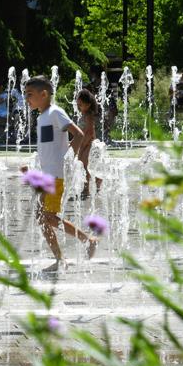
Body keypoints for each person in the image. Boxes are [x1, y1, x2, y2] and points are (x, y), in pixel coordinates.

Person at [21, 76, 99, 269]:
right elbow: (49, 148)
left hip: (55, 175)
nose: (26, 99)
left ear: (43, 94)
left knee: (48, 216)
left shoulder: (55, 112)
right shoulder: (42, 117)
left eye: (29, 94)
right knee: (42, 218)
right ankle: (59, 258)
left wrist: (69, 160)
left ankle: (87, 240)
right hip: (47, 175)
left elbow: (79, 134)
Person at [75, 88, 102, 198]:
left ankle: (86, 190)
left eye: (81, 105)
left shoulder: (89, 115)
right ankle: (97, 182)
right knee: (85, 166)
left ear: (88, 104)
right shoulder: (84, 115)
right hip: (85, 144)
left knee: (85, 167)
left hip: (89, 144)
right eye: (78, 104)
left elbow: (90, 132)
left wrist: (83, 145)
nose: (79, 107)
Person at [86, 63, 118, 140]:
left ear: (94, 74)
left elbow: (114, 110)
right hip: (93, 118)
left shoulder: (106, 88)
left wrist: (107, 124)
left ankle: (104, 135)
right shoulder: (90, 87)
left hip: (103, 119)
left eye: (91, 74)